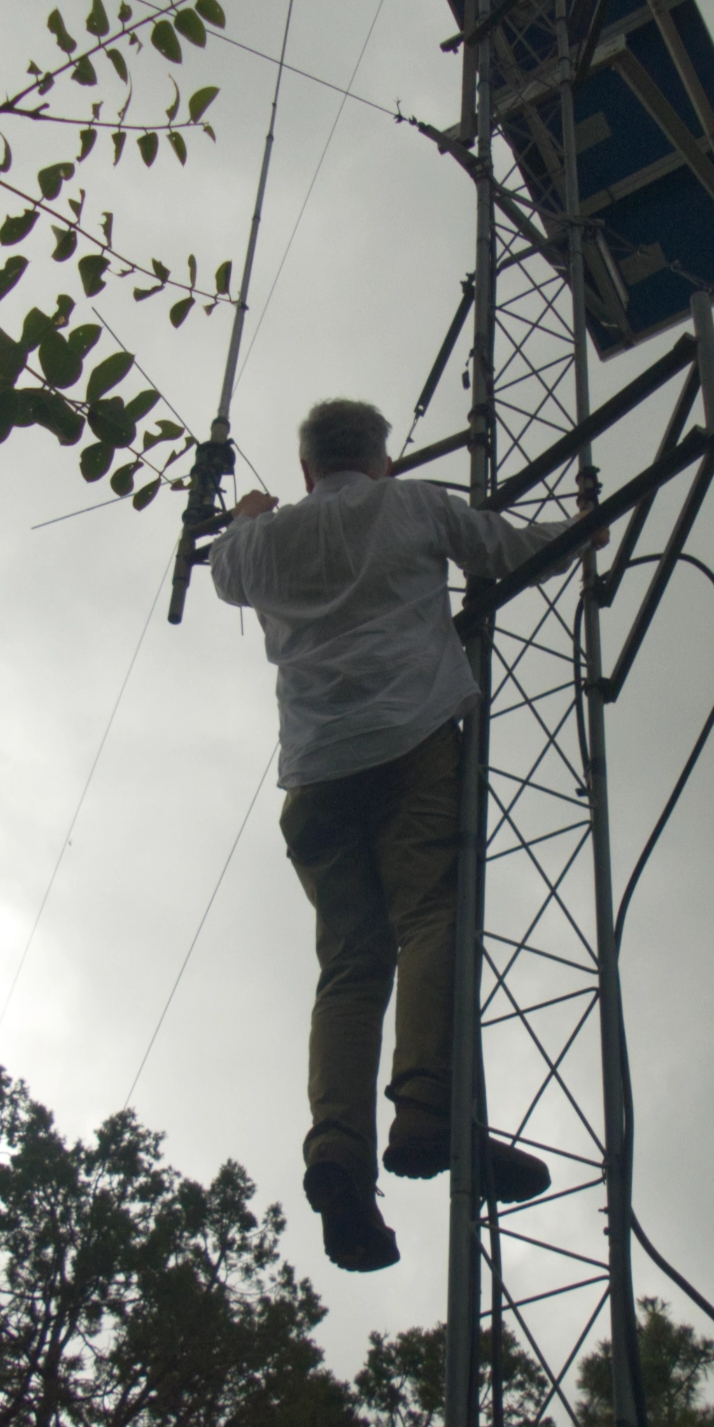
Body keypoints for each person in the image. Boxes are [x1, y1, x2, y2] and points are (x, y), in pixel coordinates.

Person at [210, 396, 584, 1275]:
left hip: (315, 773)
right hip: (412, 749)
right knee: (432, 918)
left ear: (306, 469)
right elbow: (505, 548)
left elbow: (228, 569)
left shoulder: (258, 544)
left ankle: (338, 1151)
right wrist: (583, 527)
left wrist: (245, 514)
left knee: (350, 963)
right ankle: (426, 1104)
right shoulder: (411, 504)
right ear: (381, 459)